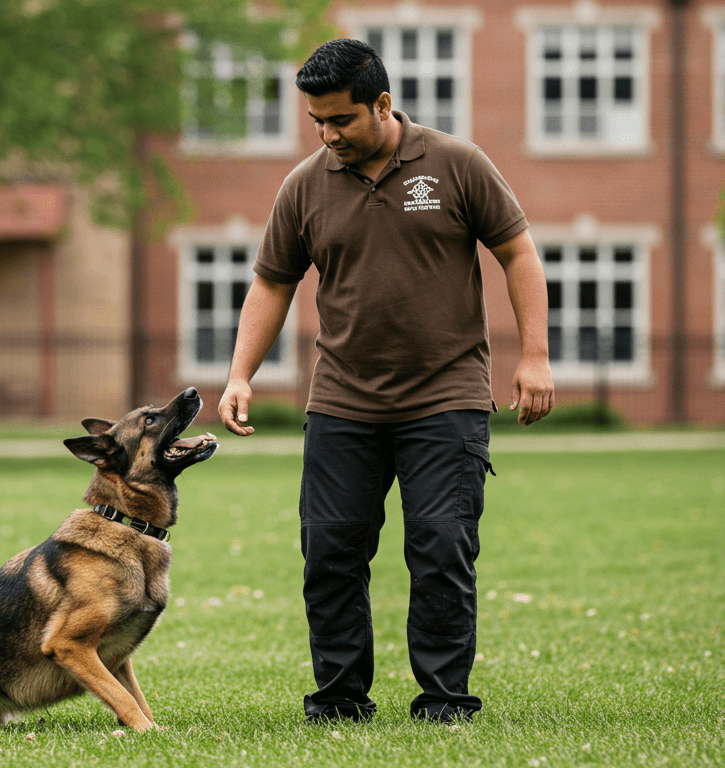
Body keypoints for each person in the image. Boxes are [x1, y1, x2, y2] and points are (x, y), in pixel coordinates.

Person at [217, 38, 554, 724]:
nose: (327, 134)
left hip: (447, 397)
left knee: (440, 550)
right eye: (317, 122)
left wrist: (535, 356)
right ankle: (340, 700)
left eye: (341, 120)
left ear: (383, 104)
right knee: (331, 554)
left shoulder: (456, 164)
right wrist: (240, 374)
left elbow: (518, 252)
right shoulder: (305, 185)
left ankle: (444, 700)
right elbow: (272, 282)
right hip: (342, 400)